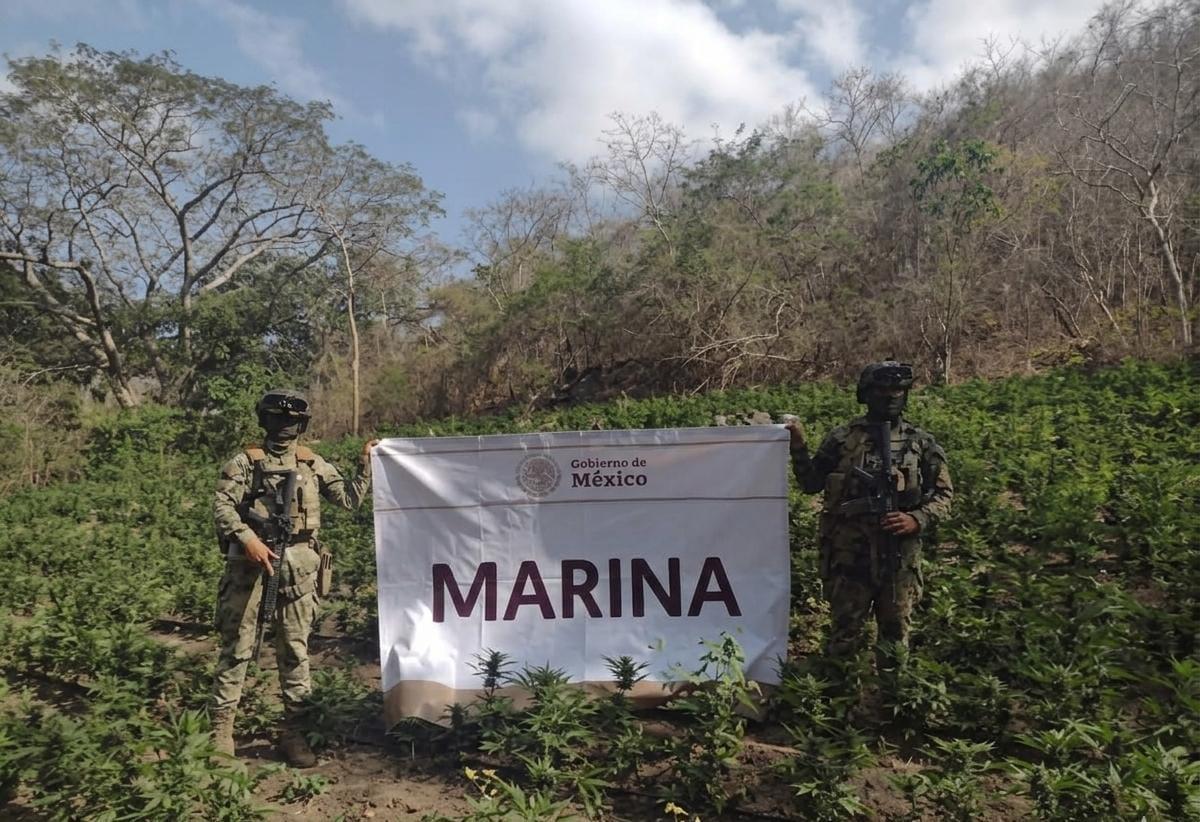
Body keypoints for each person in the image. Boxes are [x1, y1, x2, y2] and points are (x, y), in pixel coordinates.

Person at [210, 389, 377, 766]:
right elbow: (222, 505)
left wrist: (366, 463)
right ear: (264, 422)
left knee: (295, 651)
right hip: (249, 566)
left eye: (290, 421)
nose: (283, 427)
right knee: (237, 648)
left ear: (301, 425)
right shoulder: (245, 462)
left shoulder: (312, 463)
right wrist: (247, 537)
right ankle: (222, 730)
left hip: (300, 566)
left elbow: (349, 499)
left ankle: (295, 731)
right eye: (276, 420)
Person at [786, 362, 952, 687]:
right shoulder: (842, 438)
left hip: (898, 557)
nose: (891, 397)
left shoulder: (920, 443)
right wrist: (798, 446)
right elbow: (810, 483)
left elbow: (945, 496)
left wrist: (915, 519)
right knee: (844, 633)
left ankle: (893, 704)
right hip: (850, 556)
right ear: (866, 394)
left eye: (898, 391)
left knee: (895, 635)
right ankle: (838, 704)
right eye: (882, 391)